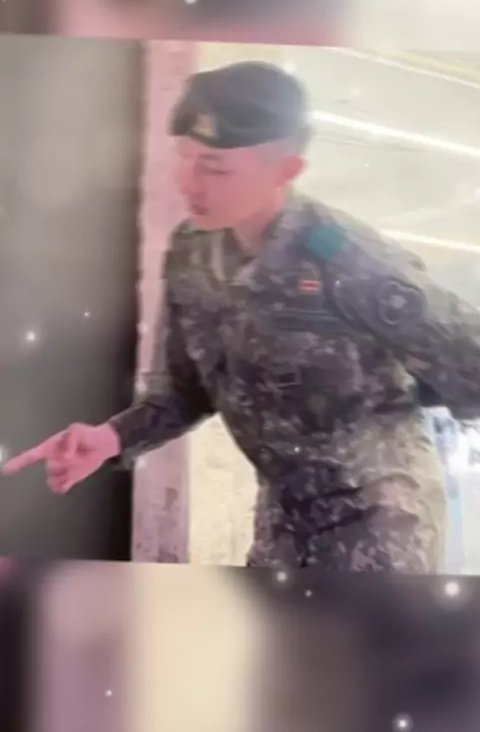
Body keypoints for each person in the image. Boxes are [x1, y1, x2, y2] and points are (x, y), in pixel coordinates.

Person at [6, 60, 480, 572]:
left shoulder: (347, 260)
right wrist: (110, 438)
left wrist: (394, 387)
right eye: (184, 157)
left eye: (215, 168)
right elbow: (184, 391)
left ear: (285, 171)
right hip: (283, 519)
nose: (188, 182)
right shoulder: (191, 252)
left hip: (382, 525)